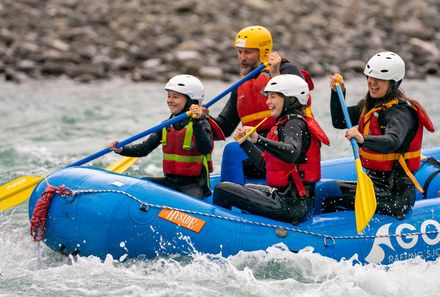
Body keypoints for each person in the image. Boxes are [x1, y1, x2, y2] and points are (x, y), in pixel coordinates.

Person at [329, 51, 435, 219]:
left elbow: (393, 141)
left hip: (396, 196)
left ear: (393, 83)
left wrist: (363, 139)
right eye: (370, 77)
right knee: (325, 189)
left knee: (329, 196)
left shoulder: (400, 112)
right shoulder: (371, 105)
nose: (372, 83)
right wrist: (337, 93)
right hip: (375, 187)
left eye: (379, 80)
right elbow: (340, 121)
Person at [213, 75, 329, 224]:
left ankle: (223, 232)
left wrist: (259, 139)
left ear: (291, 99)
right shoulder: (283, 124)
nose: (267, 102)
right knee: (245, 188)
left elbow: (292, 152)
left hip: (291, 205)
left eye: (273, 97)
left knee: (222, 189)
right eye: (267, 97)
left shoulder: (294, 124)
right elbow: (264, 165)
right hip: (285, 198)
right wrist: (245, 143)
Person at [208, 25, 313, 181]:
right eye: (239, 51)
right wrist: (202, 119)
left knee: (233, 150)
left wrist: (275, 74)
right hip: (258, 148)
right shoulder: (243, 85)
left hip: (286, 145)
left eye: (248, 52)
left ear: (263, 52)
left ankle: (231, 202)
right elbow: (224, 127)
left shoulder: (287, 70)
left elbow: (301, 106)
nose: (242, 57)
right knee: (234, 146)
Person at [109, 74, 214, 199]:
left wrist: (197, 121)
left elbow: (205, 148)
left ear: (192, 102)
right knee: (140, 186)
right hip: (169, 182)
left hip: (193, 186)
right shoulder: (167, 125)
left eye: (175, 97)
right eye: (169, 96)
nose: (170, 100)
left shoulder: (202, 123)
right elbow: (145, 148)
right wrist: (121, 149)